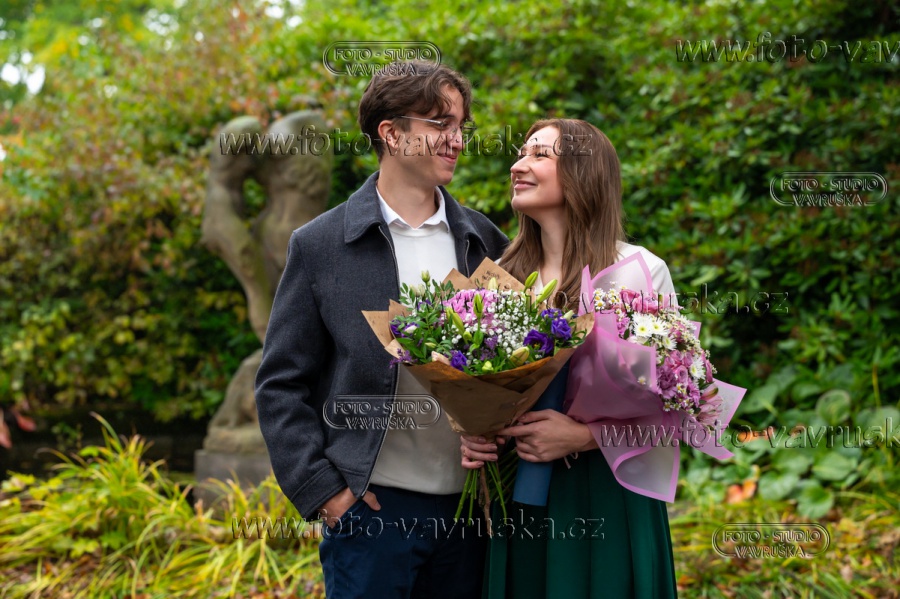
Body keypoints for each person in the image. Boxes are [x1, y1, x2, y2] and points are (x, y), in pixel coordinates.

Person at [255, 60, 509, 599]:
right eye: (440, 124)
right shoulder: (321, 245)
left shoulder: (485, 239)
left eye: (461, 126)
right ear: (391, 133)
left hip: (473, 513)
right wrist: (326, 493)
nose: (457, 140)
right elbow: (280, 384)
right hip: (371, 513)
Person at [461, 119, 679, 598]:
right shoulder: (499, 280)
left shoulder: (637, 274)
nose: (518, 165)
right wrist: (474, 433)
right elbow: (476, 388)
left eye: (538, 155)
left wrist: (584, 437)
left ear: (583, 173)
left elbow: (678, 413)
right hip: (518, 495)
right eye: (520, 153)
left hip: (608, 496)